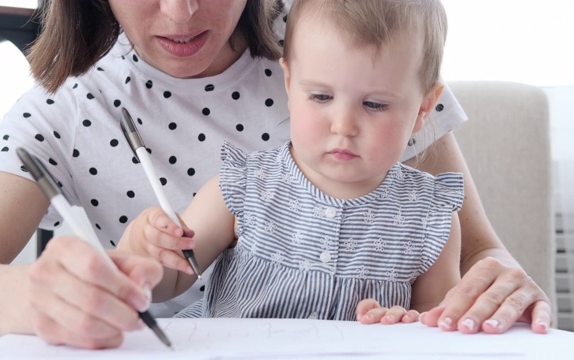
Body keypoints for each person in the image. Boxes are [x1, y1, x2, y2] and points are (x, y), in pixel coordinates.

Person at [0, 0, 550, 350]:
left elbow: (479, 256)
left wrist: (488, 292)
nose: (180, 12)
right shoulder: (63, 110)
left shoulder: (342, 31)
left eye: (373, 107)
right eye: (319, 97)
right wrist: (29, 297)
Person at [118, 0, 465, 324]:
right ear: (289, 83)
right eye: (321, 96)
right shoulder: (244, 186)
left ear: (423, 107)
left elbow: (437, 322)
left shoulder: (430, 218)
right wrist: (144, 250)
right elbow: (175, 276)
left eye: (374, 105)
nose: (343, 126)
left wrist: (406, 322)